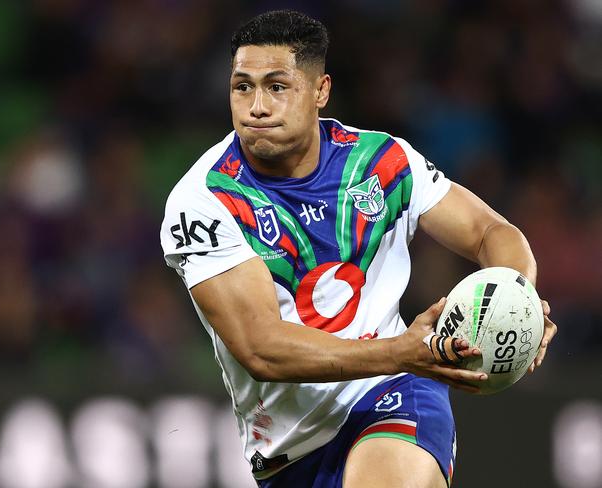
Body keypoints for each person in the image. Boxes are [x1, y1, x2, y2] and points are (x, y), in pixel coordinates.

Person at [160, 10, 557, 488]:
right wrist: (401, 352)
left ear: (320, 91)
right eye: (242, 87)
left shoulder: (381, 161)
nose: (257, 106)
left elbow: (489, 231)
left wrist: (520, 299)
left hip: (393, 394)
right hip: (291, 451)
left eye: (277, 87)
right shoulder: (204, 201)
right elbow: (261, 348)